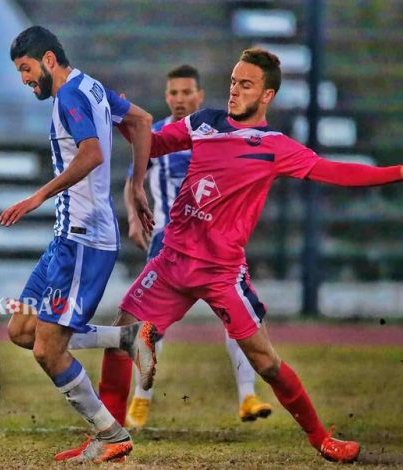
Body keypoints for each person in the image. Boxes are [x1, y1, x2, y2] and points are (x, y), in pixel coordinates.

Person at [91, 47, 403, 463]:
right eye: (233, 81)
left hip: (220, 272)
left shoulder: (274, 146)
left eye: (245, 85)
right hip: (172, 261)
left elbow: (335, 171)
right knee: (120, 342)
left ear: (267, 96)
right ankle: (112, 439)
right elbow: (155, 144)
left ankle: (322, 438)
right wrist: (126, 117)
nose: (234, 91)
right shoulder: (204, 122)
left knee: (266, 362)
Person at [2, 26, 157, 463]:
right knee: (20, 329)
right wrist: (136, 185)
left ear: (49, 60)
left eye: (27, 69)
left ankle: (111, 434)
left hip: (83, 237)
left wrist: (37, 195)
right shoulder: (91, 86)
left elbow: (91, 153)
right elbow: (142, 120)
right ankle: (127, 338)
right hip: (67, 235)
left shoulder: (70, 96)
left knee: (47, 350)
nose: (24, 79)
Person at [118, 65, 272, 429]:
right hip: (168, 240)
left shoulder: (216, 134)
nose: (180, 98)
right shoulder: (153, 136)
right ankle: (141, 400)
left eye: (188, 92)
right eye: (174, 93)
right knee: (151, 325)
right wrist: (133, 216)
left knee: (239, 320)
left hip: (215, 243)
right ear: (167, 96)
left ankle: (247, 396)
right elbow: (132, 181)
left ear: (200, 96)